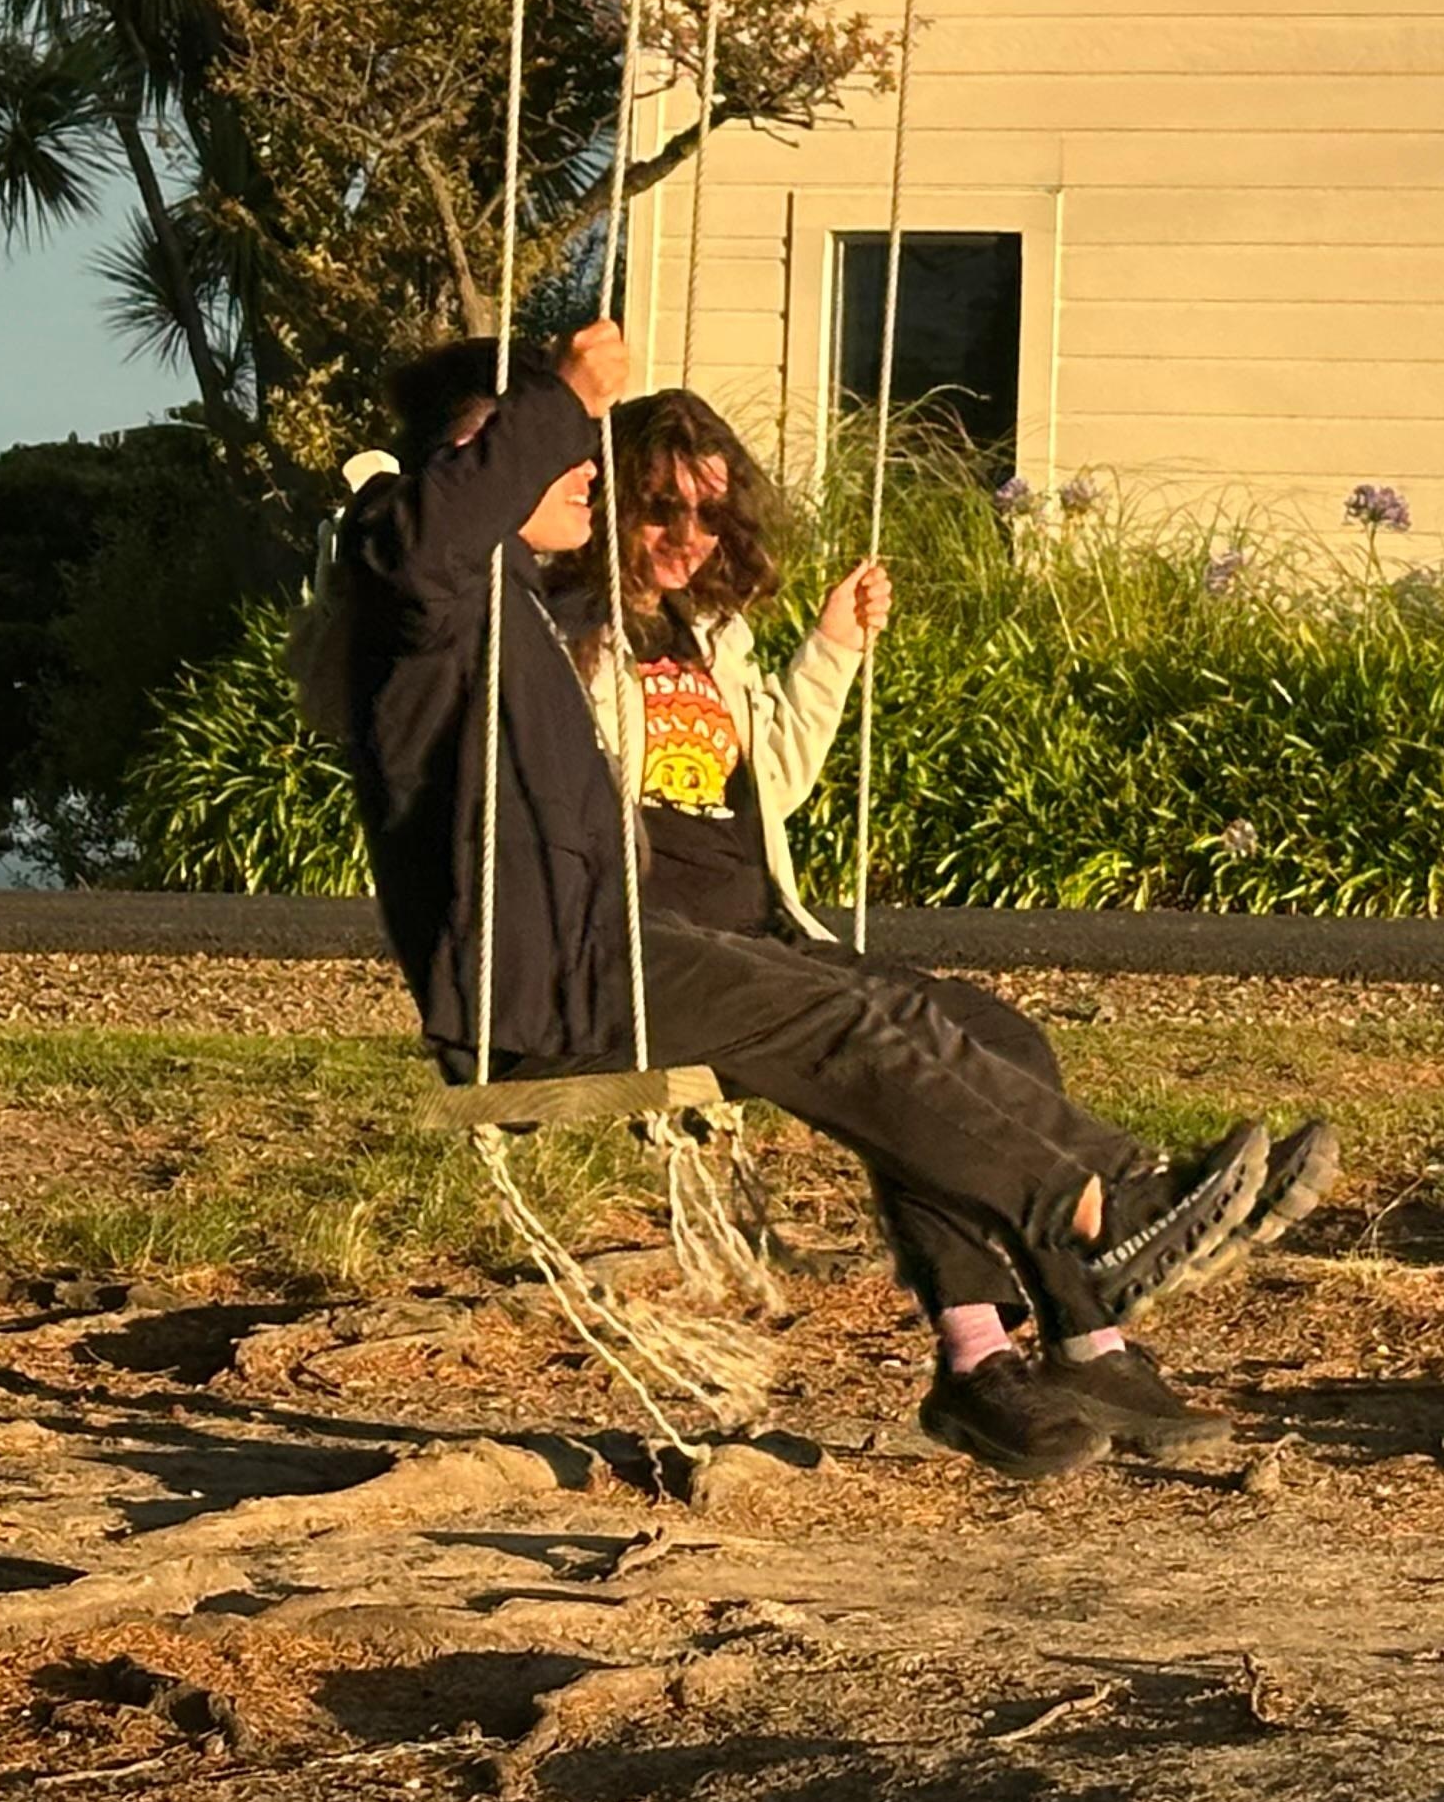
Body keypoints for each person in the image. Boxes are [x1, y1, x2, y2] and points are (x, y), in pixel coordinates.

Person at [329, 319, 1278, 1478]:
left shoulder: (508, 599)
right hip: (541, 988)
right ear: (481, 451)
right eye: (573, 455)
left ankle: (1039, 1338)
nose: (588, 472)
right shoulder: (412, 570)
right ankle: (1103, 1208)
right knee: (850, 1028)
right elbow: (429, 530)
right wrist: (560, 399)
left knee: (969, 1028)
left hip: (602, 950)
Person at [566, 386, 1341, 1475]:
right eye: (659, 510)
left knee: (999, 1039)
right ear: (607, 508)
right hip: (658, 955)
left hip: (766, 936)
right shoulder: (565, 631)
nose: (686, 538)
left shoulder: (714, 636)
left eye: (707, 513)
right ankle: (1099, 1228)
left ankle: (1062, 1341)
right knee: (879, 1045)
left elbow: (772, 783)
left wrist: (830, 649)